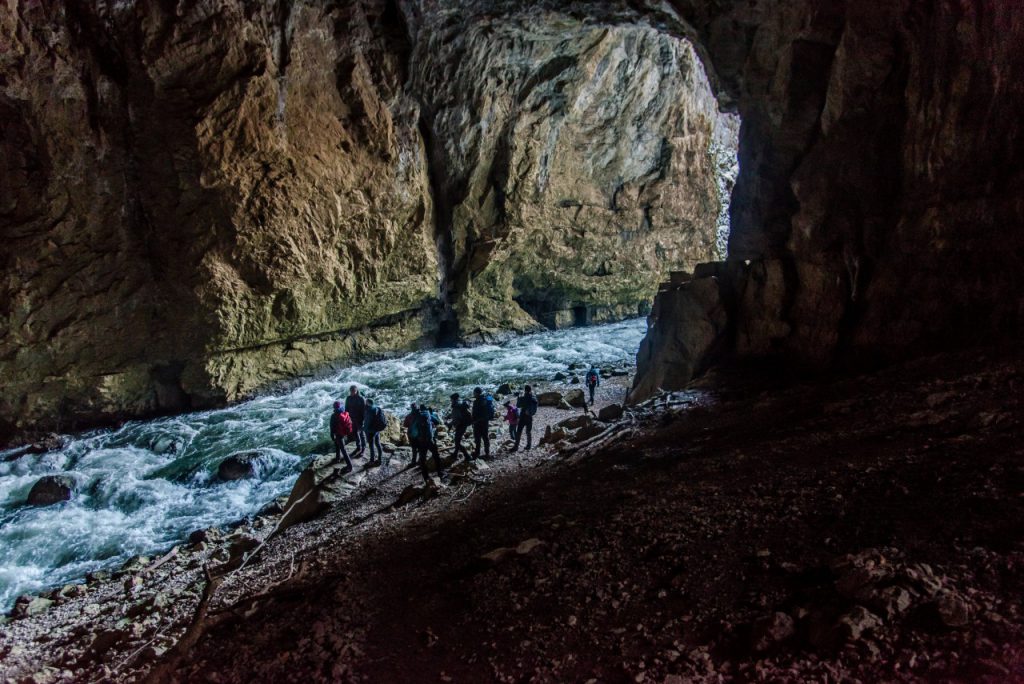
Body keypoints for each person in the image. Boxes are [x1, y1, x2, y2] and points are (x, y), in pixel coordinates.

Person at [409, 404, 445, 482]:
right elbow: (437, 421)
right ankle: (440, 473)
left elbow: (412, 431)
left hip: (421, 441)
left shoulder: (416, 416)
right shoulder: (428, 414)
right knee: (436, 456)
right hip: (430, 440)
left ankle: (426, 478)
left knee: (422, 460)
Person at [328, 401, 354, 470]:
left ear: (334, 407)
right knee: (337, 445)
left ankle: (350, 466)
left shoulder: (334, 416)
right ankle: (338, 458)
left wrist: (332, 435)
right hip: (343, 432)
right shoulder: (344, 412)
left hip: (338, 433)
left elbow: (332, 427)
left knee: (343, 450)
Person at [448, 393, 473, 462]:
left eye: (451, 399)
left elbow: (456, 419)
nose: (450, 401)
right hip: (463, 424)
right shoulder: (461, 403)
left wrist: (450, 424)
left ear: (453, 399)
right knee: (457, 440)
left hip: (460, 425)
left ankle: (467, 456)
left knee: (457, 442)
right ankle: (455, 454)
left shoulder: (456, 406)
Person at [513, 385, 538, 452]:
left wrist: (518, 397)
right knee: (528, 432)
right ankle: (529, 445)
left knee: (519, 432)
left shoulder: (524, 397)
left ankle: (516, 446)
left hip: (523, 417)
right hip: (530, 417)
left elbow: (518, 405)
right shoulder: (534, 397)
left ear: (525, 390)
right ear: (530, 390)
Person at [471, 387, 494, 460]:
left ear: (477, 393)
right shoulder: (485, 400)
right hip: (485, 422)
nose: (473, 394)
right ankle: (487, 452)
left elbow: (475, 413)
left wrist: (473, 421)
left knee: (477, 438)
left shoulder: (477, 401)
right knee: (485, 437)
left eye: (474, 392)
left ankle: (477, 453)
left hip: (478, 422)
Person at [362, 398, 386, 466]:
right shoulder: (377, 408)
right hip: (377, 430)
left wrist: (363, 429)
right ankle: (380, 459)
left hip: (371, 431)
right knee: (378, 444)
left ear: (368, 403)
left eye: (366, 402)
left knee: (371, 446)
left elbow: (367, 422)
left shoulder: (369, 411)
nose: (365, 403)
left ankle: (372, 460)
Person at [345, 385, 367, 457]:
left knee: (361, 434)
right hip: (352, 419)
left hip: (359, 419)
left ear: (356, 391)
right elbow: (346, 409)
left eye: (353, 391)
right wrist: (347, 418)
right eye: (351, 391)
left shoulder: (361, 399)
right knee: (355, 433)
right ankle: (358, 446)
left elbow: (364, 411)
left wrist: (363, 421)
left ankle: (363, 448)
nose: (352, 393)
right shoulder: (348, 398)